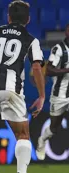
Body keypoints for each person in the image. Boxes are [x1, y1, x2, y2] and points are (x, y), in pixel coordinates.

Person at [0, 1, 45, 173]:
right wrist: (42, 95)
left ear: (9, 17)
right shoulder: (31, 40)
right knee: (23, 134)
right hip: (10, 87)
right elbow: (37, 67)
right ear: (28, 19)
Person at [36, 24, 69, 160]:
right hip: (60, 95)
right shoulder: (59, 49)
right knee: (54, 127)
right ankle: (42, 140)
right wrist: (67, 70)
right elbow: (48, 70)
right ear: (67, 31)